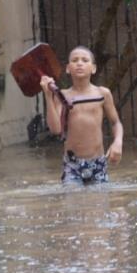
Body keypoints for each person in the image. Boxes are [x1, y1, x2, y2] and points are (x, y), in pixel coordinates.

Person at [40, 45, 123, 184]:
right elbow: (56, 129)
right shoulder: (62, 96)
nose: (79, 63)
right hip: (72, 165)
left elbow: (116, 123)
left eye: (85, 60)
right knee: (73, 202)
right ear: (67, 68)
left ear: (94, 68)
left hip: (98, 163)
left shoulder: (103, 94)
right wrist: (48, 96)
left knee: (99, 202)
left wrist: (118, 142)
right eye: (75, 60)